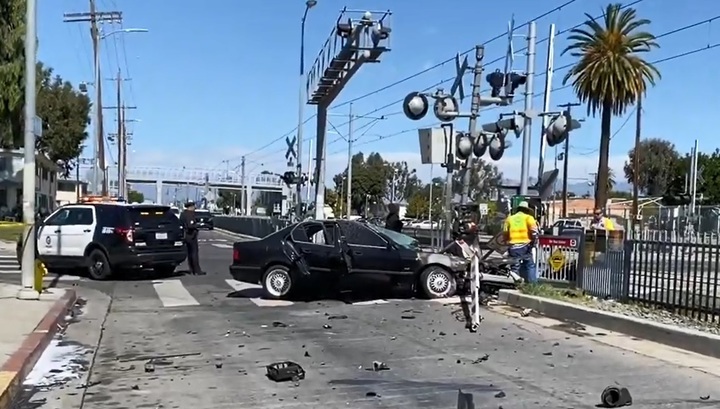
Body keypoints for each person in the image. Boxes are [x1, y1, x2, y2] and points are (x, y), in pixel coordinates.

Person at [503, 201, 539, 283]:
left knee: (515, 266)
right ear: (526, 210)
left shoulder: (509, 219)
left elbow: (505, 234)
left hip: (513, 247)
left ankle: (516, 285)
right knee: (529, 265)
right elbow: (534, 231)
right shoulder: (529, 218)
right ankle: (532, 284)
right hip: (526, 246)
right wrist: (534, 241)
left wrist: (507, 243)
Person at [180, 200, 205, 275]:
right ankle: (197, 270)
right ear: (190, 207)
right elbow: (190, 225)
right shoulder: (190, 214)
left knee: (189, 253)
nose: (194, 208)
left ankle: (191, 269)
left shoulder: (183, 214)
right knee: (194, 253)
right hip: (191, 236)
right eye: (193, 206)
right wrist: (197, 225)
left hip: (185, 236)